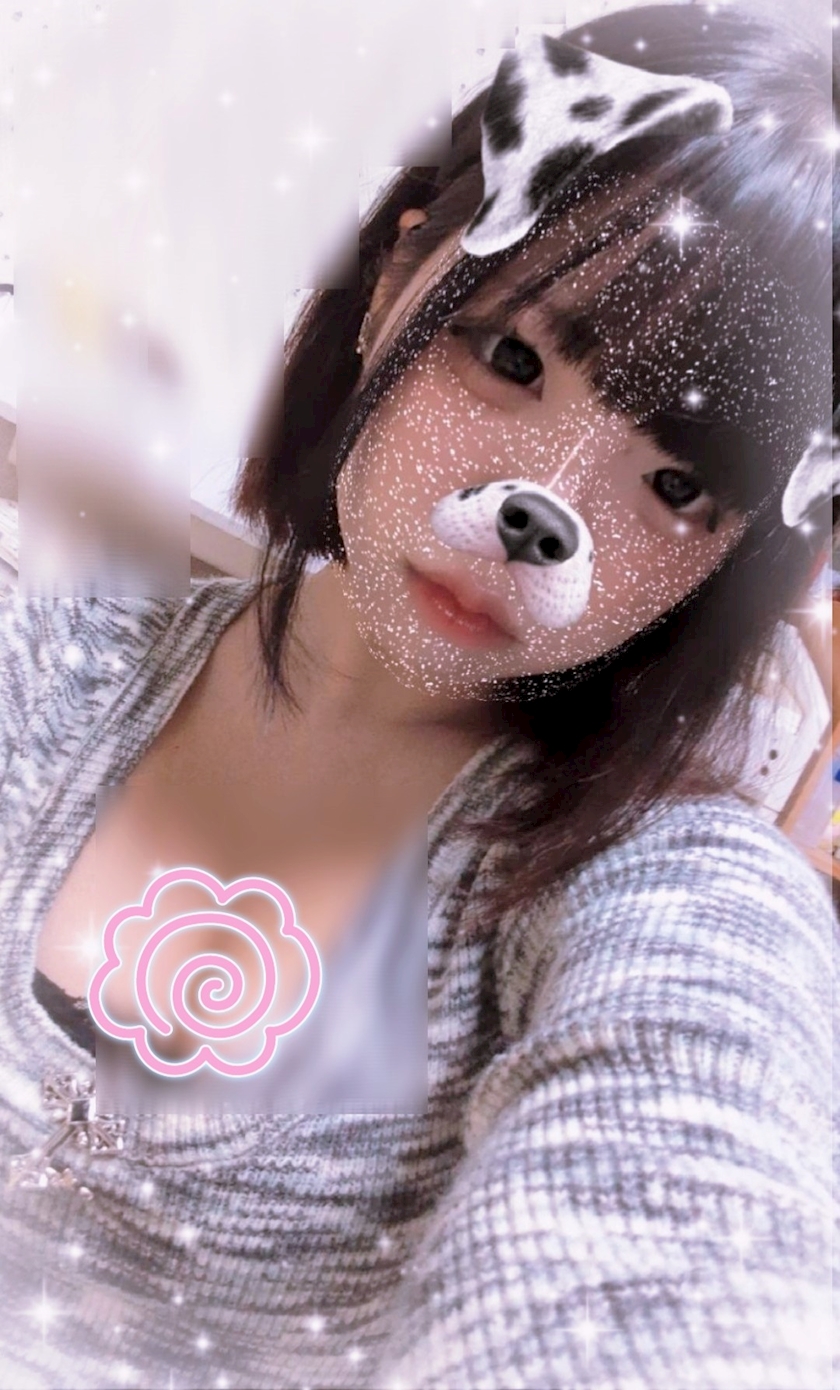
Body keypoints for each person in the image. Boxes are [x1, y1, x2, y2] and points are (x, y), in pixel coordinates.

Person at [0, 4, 835, 1387]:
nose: (544, 507)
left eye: (679, 483)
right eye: (513, 359)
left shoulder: (667, 900)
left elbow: (680, 1235)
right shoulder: (50, 644)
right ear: (401, 271)